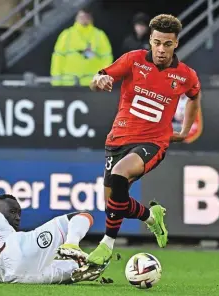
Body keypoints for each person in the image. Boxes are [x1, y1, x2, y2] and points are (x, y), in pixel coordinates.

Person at [78, 14, 200, 267]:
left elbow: (194, 97)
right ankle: (151, 216)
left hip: (153, 142)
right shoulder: (133, 61)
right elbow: (96, 78)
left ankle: (106, 245)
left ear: (176, 43)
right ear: (150, 40)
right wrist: (99, 80)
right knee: (113, 203)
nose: (161, 49)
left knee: (121, 174)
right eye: (157, 42)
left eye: (167, 44)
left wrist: (185, 130)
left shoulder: (185, 75)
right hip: (118, 140)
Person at [0, 194, 103, 284]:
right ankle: (72, 244)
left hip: (12, 278)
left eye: (19, 213)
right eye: (13, 211)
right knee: (83, 215)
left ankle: (83, 267)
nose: (17, 217)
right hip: (14, 250)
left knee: (82, 267)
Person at [50, 8, 113, 86]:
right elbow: (57, 58)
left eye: (87, 17)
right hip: (68, 83)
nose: (84, 19)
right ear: (76, 18)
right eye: (81, 17)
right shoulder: (67, 34)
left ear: (91, 18)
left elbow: (107, 59)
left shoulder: (99, 35)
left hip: (92, 84)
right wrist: (56, 82)